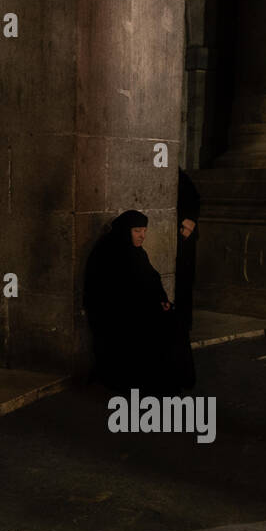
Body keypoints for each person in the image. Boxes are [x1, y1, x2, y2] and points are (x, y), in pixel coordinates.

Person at [83, 210, 187, 396]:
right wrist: (149, 305)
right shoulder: (108, 251)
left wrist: (161, 300)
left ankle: (169, 380)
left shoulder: (137, 252)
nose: (142, 236)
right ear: (126, 230)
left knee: (172, 320)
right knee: (150, 328)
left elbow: (152, 278)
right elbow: (111, 291)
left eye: (144, 231)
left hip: (139, 308)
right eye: (137, 231)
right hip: (115, 313)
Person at [172, 169, 200, 390]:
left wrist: (188, 223)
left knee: (182, 282)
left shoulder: (180, 178)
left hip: (182, 240)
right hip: (179, 235)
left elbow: (192, 200)